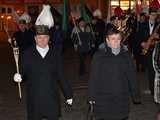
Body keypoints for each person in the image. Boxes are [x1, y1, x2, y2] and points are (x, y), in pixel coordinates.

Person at [13, 25, 73, 120]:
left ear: (49, 38)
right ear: (35, 39)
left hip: (51, 97)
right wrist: (19, 75)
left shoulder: (55, 53)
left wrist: (68, 94)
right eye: (39, 37)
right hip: (35, 97)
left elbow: (61, 75)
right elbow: (23, 70)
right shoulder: (28, 53)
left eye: (45, 37)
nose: (42, 40)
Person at [88, 27, 141, 120]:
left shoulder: (126, 55)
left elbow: (132, 76)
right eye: (113, 39)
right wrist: (91, 97)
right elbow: (94, 78)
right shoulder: (99, 56)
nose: (116, 41)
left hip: (121, 97)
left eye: (118, 39)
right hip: (104, 98)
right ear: (107, 40)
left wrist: (135, 94)